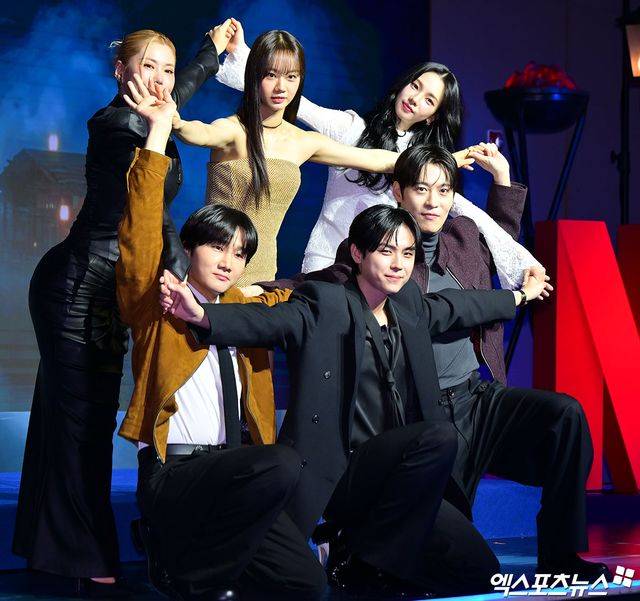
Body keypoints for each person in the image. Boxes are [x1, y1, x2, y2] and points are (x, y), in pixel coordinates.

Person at [258, 142, 610, 582]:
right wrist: (258, 291)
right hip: (426, 414)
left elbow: (500, 238)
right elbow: (320, 282)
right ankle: (357, 552)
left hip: (477, 397)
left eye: (444, 190)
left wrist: (503, 182)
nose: (433, 201)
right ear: (398, 191)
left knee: (564, 415)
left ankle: (561, 556)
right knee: (449, 549)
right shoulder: (386, 251)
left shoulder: (465, 237)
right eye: (421, 189)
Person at [160, 202, 548, 596]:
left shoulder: (408, 305)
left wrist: (519, 296)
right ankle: (366, 561)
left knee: (479, 571)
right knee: (437, 436)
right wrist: (203, 316)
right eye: (386, 251)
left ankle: (365, 556)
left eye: (408, 253)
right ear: (358, 254)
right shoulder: (325, 303)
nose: (398, 264)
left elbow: (458, 306)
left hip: (397, 482)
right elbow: (268, 322)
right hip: (343, 473)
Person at [12, 22, 236, 590]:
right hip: (75, 290)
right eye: (147, 67)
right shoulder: (115, 124)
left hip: (111, 293)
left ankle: (59, 551)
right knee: (83, 428)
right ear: (121, 72)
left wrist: (210, 52)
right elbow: (147, 197)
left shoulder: (156, 110)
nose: (161, 80)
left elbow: (177, 96)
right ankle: (89, 562)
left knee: (81, 424)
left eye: (167, 69)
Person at [115, 76, 325, 601]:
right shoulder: (158, 300)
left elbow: (311, 294)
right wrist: (158, 132)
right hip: (177, 472)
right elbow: (141, 228)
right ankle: (185, 568)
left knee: (307, 585)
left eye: (239, 252)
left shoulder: (248, 313)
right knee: (282, 462)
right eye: (217, 246)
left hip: (237, 475)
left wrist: (267, 289)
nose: (229, 260)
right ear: (189, 247)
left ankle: (203, 562)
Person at [215, 24, 539, 289]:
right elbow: (294, 100)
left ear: (433, 117)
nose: (415, 99)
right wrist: (242, 54)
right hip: (326, 261)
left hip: (378, 273)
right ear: (403, 86)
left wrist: (520, 257)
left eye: (429, 100)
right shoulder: (350, 128)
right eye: (415, 86)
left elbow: (469, 215)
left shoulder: (426, 166)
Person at [173, 28, 469, 286]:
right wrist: (175, 120)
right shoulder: (233, 129)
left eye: (291, 77)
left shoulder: (304, 142)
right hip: (216, 264)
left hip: (264, 273)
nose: (281, 87)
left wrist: (444, 163)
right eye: (271, 75)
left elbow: (385, 161)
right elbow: (195, 132)